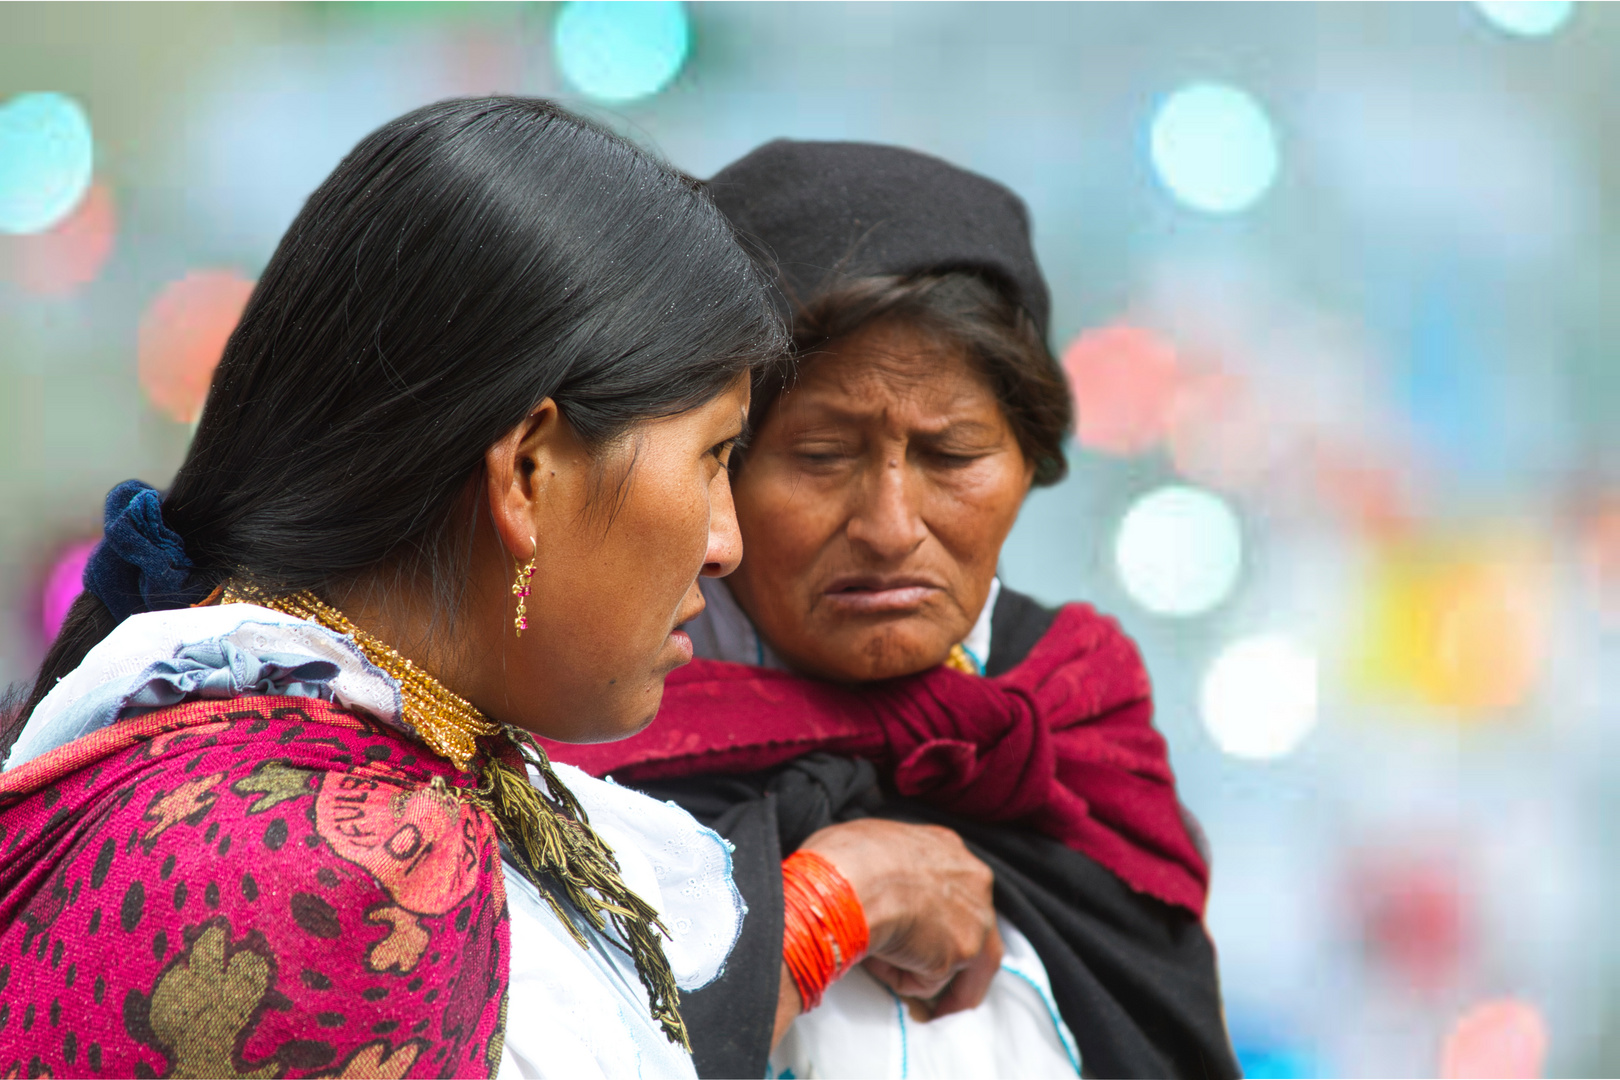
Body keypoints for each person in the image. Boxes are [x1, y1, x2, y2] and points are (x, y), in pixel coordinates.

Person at [4, 98, 798, 1080]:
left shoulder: (307, 782)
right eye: (713, 454)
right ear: (530, 473)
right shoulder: (356, 861)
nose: (725, 542)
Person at [547, 141, 1241, 1079]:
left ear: (1029, 462)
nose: (889, 526)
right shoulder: (581, 743)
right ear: (718, 466)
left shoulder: (1079, 727)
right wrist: (825, 913)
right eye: (822, 455)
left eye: (952, 456)